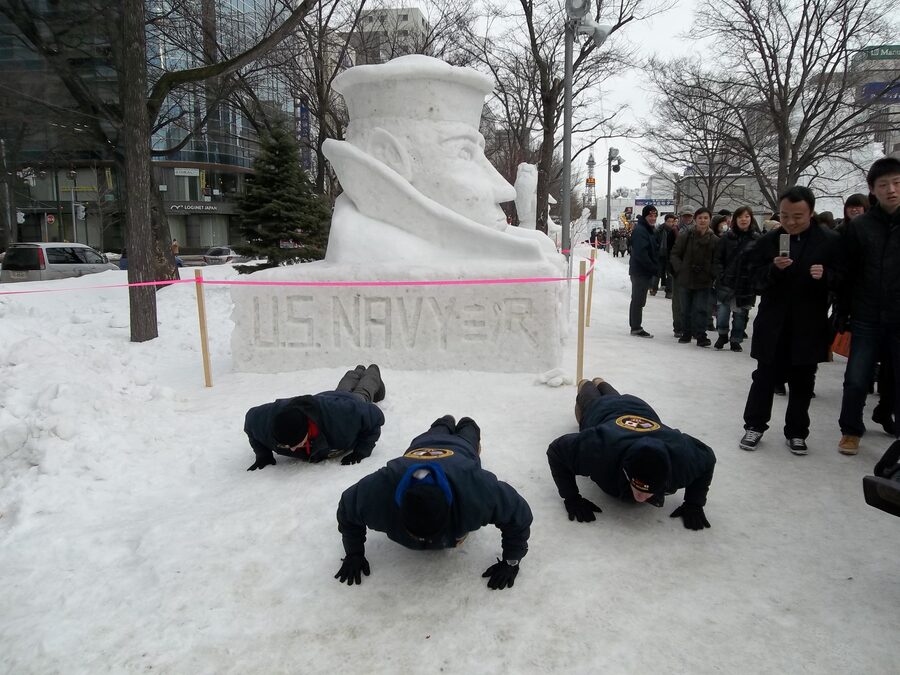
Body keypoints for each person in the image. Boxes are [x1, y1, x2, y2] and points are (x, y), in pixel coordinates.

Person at [335, 415, 532, 589]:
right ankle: (444, 422)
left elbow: (518, 514)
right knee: (441, 425)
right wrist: (354, 553)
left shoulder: (475, 488)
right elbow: (347, 509)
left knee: (468, 428)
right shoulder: (380, 489)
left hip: (462, 448)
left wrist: (511, 562)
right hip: (421, 445)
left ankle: (466, 423)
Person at [738, 186, 838, 455]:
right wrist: (772, 269)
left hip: (809, 322)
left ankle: (796, 431)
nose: (791, 222)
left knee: (803, 379)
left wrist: (827, 275)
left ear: (811, 213)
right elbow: (751, 279)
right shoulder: (769, 241)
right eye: (785, 216)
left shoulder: (828, 240)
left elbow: (847, 278)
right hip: (774, 321)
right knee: (764, 376)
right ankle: (755, 425)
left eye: (798, 216)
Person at [547, 377, 716, 530]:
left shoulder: (682, 459)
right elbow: (557, 451)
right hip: (598, 410)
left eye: (648, 491)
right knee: (586, 387)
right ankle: (588, 383)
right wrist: (572, 498)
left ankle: (600, 382)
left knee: (608, 391)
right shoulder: (599, 448)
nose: (641, 499)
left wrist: (694, 502)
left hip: (638, 408)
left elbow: (707, 458)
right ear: (626, 470)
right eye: (638, 488)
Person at [835, 157, 900, 455]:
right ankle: (850, 430)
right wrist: (842, 313)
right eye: (884, 184)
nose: (892, 190)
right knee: (857, 377)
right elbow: (845, 275)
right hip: (866, 315)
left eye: (897, 183)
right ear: (872, 190)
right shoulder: (859, 227)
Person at [243, 365, 386, 470]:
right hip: (324, 400)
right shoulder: (265, 421)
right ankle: (357, 370)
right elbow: (249, 423)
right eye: (286, 446)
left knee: (362, 393)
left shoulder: (345, 415)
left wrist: (362, 451)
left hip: (345, 404)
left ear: (306, 430)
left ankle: (372, 371)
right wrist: (263, 455)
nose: (291, 450)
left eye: (295, 444)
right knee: (341, 390)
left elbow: (375, 417)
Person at [714, 206, 761, 351]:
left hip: (746, 284)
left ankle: (736, 339)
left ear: (751, 218)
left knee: (740, 315)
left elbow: (760, 261)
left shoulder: (757, 239)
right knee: (722, 313)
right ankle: (722, 334)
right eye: (740, 216)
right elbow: (717, 258)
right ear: (735, 219)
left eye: (747, 216)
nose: (744, 219)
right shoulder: (727, 238)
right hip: (726, 282)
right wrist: (721, 275)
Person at [671, 207, 719, 347]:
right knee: (685, 308)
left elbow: (717, 260)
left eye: (705, 218)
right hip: (685, 278)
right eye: (700, 218)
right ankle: (686, 333)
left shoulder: (714, 240)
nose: (703, 221)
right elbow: (675, 254)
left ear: (709, 220)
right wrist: (680, 269)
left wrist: (712, 273)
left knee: (702, 309)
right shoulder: (686, 235)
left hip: (704, 280)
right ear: (695, 219)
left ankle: (701, 335)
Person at [628, 205, 659, 338]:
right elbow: (641, 253)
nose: (652, 218)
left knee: (639, 299)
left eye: (654, 216)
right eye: (650, 216)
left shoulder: (647, 229)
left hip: (643, 270)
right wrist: (652, 267)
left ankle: (635, 325)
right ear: (645, 216)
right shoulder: (641, 230)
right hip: (640, 270)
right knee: (638, 299)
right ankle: (636, 327)